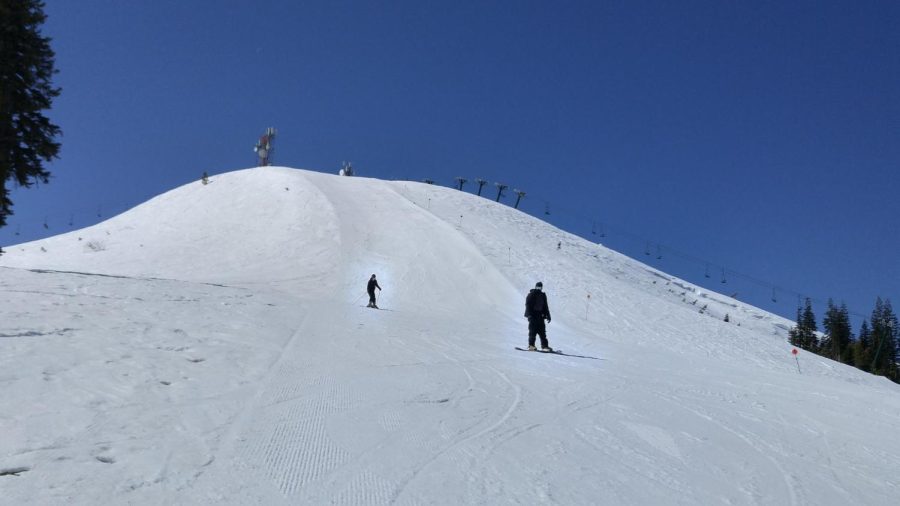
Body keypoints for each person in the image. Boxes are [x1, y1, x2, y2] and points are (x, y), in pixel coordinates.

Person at [524, 281, 552, 351]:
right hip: (533, 316)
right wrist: (529, 315)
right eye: (537, 287)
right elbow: (527, 305)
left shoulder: (543, 295)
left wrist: (548, 315)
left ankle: (545, 346)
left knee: (542, 332)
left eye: (540, 287)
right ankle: (531, 345)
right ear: (535, 287)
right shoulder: (531, 294)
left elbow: (545, 306)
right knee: (532, 331)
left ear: (542, 288)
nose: (538, 288)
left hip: (540, 316)